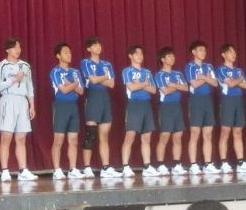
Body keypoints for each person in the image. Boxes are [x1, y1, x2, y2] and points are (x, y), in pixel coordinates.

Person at [0, 38, 37, 181]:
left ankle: (23, 170)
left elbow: (29, 86)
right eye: (14, 47)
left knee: (21, 137)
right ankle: (5, 170)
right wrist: (13, 79)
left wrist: (32, 105)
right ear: (7, 50)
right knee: (6, 136)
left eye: (19, 47)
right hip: (8, 100)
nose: (17, 50)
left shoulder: (25, 66)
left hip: (22, 101)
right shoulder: (2, 66)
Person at [80, 37, 117, 178]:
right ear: (89, 48)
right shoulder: (86, 62)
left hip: (105, 99)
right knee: (91, 134)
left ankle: (106, 167)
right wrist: (104, 77)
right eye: (95, 45)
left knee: (104, 135)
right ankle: (87, 167)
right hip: (93, 97)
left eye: (99, 45)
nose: (98, 47)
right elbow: (93, 80)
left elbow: (112, 84)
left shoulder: (107, 64)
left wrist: (99, 78)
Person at [46, 44, 84, 181]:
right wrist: (74, 84)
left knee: (73, 139)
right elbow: (63, 90)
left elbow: (81, 91)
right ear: (58, 56)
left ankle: (73, 169)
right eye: (65, 52)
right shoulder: (55, 71)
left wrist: (70, 84)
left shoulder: (75, 72)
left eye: (70, 52)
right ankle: (57, 170)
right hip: (61, 106)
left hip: (73, 106)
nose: (69, 54)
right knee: (59, 139)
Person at [121, 45, 159, 177]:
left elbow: (153, 90)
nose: (140, 56)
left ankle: (147, 166)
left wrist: (140, 84)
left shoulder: (147, 72)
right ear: (130, 56)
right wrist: (144, 84)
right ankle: (125, 166)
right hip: (134, 105)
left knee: (146, 137)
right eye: (137, 53)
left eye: (141, 53)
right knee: (130, 135)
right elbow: (131, 87)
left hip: (146, 105)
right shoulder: (127, 71)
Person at [215, 44, 246, 173]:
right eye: (231, 52)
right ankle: (224, 162)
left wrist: (237, 80)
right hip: (227, 101)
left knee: (238, 131)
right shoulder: (221, 69)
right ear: (223, 55)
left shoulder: (239, 71)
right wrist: (239, 81)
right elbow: (230, 84)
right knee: (225, 131)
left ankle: (240, 162)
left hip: (238, 101)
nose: (234, 54)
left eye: (234, 52)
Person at [151, 47, 188, 176]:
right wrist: (177, 86)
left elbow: (186, 88)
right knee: (165, 136)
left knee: (178, 136)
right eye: (169, 56)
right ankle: (160, 164)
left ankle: (177, 164)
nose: (172, 58)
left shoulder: (178, 74)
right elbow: (165, 91)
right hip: (166, 107)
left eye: (173, 56)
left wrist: (174, 85)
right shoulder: (159, 74)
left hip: (177, 106)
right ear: (163, 59)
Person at [186, 41, 220, 176]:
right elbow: (194, 84)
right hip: (196, 101)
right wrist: (207, 79)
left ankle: (208, 163)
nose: (203, 52)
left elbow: (215, 83)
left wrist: (204, 78)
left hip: (208, 100)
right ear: (194, 52)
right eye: (200, 50)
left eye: (204, 50)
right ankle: (193, 164)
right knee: (195, 133)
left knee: (208, 133)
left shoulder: (209, 66)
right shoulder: (190, 66)